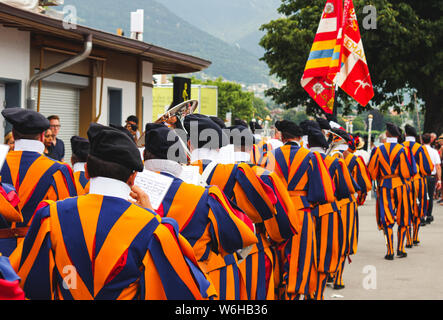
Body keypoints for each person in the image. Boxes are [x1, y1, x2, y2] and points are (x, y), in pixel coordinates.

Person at [11, 123, 214, 300]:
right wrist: (153, 216)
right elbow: (185, 289)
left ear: (87, 171)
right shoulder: (153, 228)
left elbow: (32, 285)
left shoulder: (51, 216)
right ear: (133, 178)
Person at [142, 123, 258, 300]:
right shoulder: (204, 195)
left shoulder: (127, 192)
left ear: (144, 154)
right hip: (193, 285)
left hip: (141, 286)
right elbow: (243, 236)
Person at [184, 114, 282, 300]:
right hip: (232, 258)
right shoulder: (245, 173)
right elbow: (268, 211)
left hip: (185, 264)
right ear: (220, 146)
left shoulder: (175, 175)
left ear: (189, 144)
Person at [265, 120, 335, 300]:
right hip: (302, 214)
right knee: (299, 259)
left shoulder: (269, 157)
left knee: (278, 257)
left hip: (276, 212)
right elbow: (324, 193)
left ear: (282, 136)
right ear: (299, 138)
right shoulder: (311, 157)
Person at [0, 108, 77, 257]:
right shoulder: (59, 170)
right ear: (42, 137)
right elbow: (67, 221)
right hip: (37, 254)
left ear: (14, 135)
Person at [368, 123, 416, 260]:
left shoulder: (378, 150)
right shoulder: (404, 150)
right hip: (400, 184)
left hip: (384, 185)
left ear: (387, 134)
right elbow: (411, 170)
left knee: (387, 218)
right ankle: (400, 248)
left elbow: (371, 171)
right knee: (403, 216)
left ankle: (389, 251)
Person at [402, 125, 434, 247]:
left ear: (405, 135)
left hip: (404, 182)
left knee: (405, 209)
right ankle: (415, 236)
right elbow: (428, 168)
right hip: (418, 182)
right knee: (418, 208)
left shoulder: (401, 147)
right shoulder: (420, 148)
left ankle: (408, 238)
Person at [422, 133, 441, 224]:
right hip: (431, 176)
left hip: (421, 176)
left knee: (421, 196)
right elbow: (437, 166)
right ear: (431, 140)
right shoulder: (434, 152)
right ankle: (428, 215)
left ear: (422, 140)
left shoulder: (419, 150)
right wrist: (440, 179)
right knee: (429, 195)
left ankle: (422, 214)